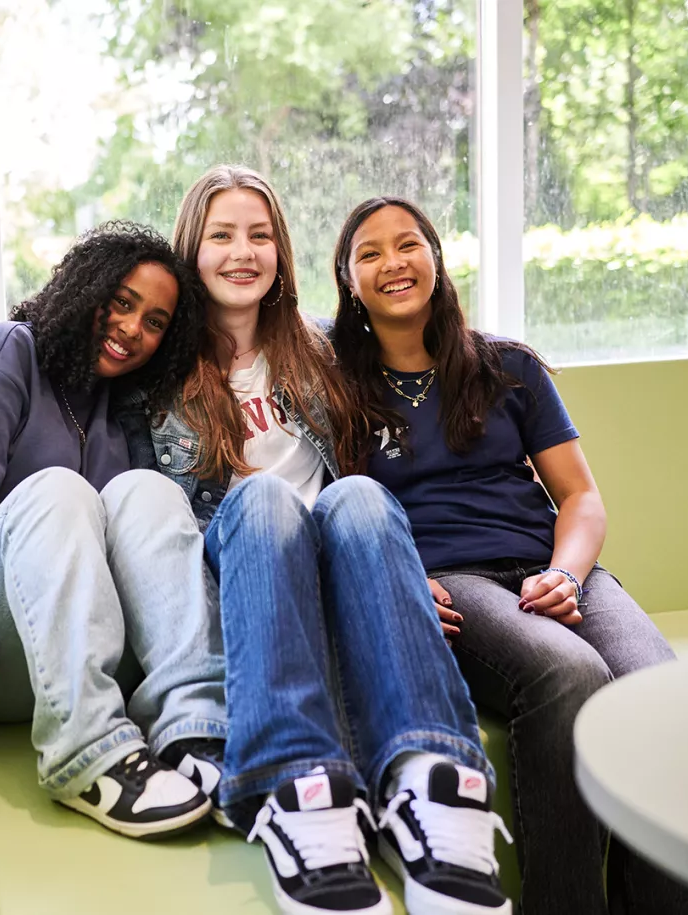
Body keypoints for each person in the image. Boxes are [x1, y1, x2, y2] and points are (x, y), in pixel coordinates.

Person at [329, 196, 688, 915]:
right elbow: (338, 513)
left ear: (436, 258)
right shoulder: (335, 388)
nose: (393, 262)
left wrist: (567, 573)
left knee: (660, 689)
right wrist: (399, 579)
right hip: (450, 582)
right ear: (347, 280)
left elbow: (581, 497)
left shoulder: (506, 365)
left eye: (408, 243)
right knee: (567, 672)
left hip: (551, 567)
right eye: (370, 252)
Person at [150, 165, 513, 915]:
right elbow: (155, 526)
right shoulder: (155, 379)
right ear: (193, 249)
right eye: (222, 235)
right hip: (251, 572)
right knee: (264, 499)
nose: (242, 251)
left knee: (357, 495)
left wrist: (408, 572)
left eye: (259, 235)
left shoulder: (321, 351)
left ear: (282, 252)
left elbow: (393, 457)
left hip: (341, 566)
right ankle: (297, 794)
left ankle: (433, 791)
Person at [0, 221, 228, 840]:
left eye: (155, 322)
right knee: (60, 488)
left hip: (94, 663)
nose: (132, 329)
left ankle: (197, 734)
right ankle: (86, 757)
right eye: (122, 303)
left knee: (149, 490)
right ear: (88, 290)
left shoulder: (124, 411)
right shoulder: (13, 349)